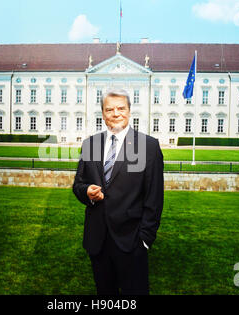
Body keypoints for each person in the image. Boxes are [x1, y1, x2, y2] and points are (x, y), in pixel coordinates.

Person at [72, 88, 164, 295]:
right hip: (98, 241)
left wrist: (145, 240)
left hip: (132, 242)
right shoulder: (90, 144)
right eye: (109, 109)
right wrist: (86, 191)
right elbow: (77, 184)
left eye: (121, 108)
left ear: (129, 111)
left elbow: (154, 198)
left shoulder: (148, 146)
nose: (115, 114)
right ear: (103, 114)